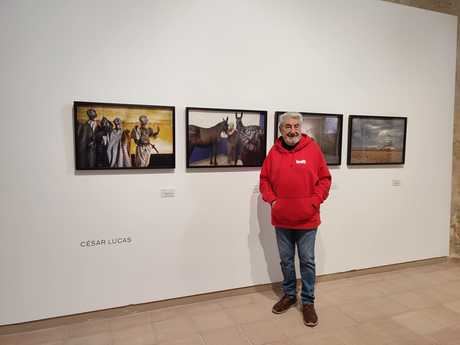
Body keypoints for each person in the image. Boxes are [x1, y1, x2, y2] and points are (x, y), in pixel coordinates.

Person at [259, 112, 331, 327]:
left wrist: (314, 202)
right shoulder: (274, 153)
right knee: (286, 261)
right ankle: (290, 295)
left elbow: (325, 179)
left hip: (308, 219)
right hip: (282, 219)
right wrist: (272, 201)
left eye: (296, 126)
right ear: (281, 129)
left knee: (307, 261)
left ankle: (308, 302)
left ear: (301, 128)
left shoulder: (313, 150)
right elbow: (264, 181)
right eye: (288, 126)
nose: (293, 130)